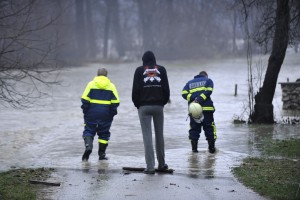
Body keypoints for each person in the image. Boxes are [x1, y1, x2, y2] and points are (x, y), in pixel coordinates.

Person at [132, 51, 170, 174]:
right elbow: (166, 90)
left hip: (144, 107)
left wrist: (138, 105)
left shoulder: (139, 71)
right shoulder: (162, 70)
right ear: (154, 60)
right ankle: (162, 164)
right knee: (160, 135)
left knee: (147, 137)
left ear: (143, 60)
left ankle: (150, 167)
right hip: (158, 106)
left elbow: (135, 91)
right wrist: (162, 103)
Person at [81, 68, 120, 161]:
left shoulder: (91, 84)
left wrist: (85, 111)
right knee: (104, 134)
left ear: (97, 75)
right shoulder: (111, 86)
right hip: (106, 114)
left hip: (91, 113)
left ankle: (88, 147)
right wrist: (112, 113)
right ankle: (102, 155)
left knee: (89, 131)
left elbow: (84, 100)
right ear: (106, 75)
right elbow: (116, 102)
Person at [182, 71, 217, 153]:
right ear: (206, 76)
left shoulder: (189, 83)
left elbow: (183, 93)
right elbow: (209, 91)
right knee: (209, 128)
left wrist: (193, 98)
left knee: (194, 129)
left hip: (193, 110)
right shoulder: (208, 81)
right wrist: (199, 99)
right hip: (207, 109)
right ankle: (211, 149)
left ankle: (194, 151)